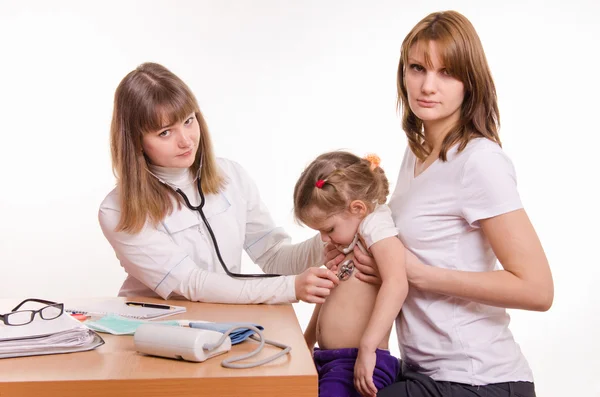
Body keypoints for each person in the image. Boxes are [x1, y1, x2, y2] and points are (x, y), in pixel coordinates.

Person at [336, 11, 554, 397]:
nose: (427, 86)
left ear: (470, 82)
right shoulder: (415, 153)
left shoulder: (479, 160)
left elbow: (537, 289)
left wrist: (418, 274)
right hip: (426, 371)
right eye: (417, 68)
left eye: (447, 72)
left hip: (478, 379)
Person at [99, 62, 340, 304]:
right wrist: (290, 288)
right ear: (136, 141)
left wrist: (334, 237)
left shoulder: (231, 176)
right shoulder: (117, 210)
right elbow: (192, 282)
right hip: (154, 328)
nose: (186, 141)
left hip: (226, 319)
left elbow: (273, 256)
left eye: (188, 121)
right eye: (165, 132)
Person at [293, 151, 408, 397]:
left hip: (357, 361)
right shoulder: (350, 239)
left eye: (329, 229)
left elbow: (397, 282)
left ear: (357, 208)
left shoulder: (375, 227)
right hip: (328, 359)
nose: (324, 238)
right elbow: (331, 295)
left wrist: (367, 349)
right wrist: (307, 341)